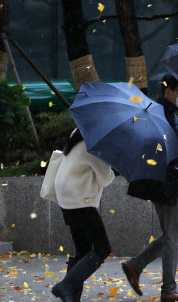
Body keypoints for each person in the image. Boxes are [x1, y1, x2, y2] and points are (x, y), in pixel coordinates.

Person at [121, 74, 178, 302]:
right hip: (165, 181)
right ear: (168, 90)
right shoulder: (158, 111)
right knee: (173, 236)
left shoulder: (167, 112)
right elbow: (166, 145)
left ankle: (134, 265)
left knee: (177, 232)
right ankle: (168, 289)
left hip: (170, 180)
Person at [51, 128, 115, 302]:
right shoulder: (95, 142)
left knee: (83, 249)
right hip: (80, 201)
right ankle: (65, 285)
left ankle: (71, 296)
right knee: (102, 249)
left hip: (66, 198)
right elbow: (106, 178)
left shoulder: (78, 132)